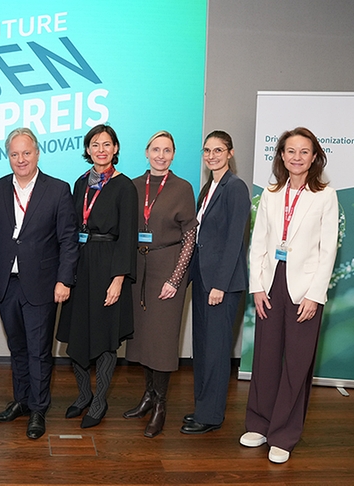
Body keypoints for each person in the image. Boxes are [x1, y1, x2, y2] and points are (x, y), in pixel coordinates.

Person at [241, 127, 339, 464]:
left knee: (297, 363)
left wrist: (315, 294)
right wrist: (256, 286)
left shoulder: (325, 195)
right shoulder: (270, 192)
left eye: (304, 151)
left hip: (305, 289)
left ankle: (283, 434)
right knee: (265, 358)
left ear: (314, 157)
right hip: (270, 284)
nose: (296, 157)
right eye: (290, 151)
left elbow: (328, 250)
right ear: (281, 155)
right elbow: (259, 241)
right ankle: (259, 423)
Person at [0, 128, 79, 439]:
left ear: (38, 153)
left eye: (26, 153)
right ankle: (21, 401)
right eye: (14, 154)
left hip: (42, 283)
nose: (21, 159)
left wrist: (64, 279)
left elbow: (68, 240)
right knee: (17, 348)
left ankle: (38, 409)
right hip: (5, 282)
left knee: (39, 350)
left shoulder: (58, 189)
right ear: (7, 156)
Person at [56, 124, 138, 429]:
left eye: (106, 144)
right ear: (87, 150)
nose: (100, 149)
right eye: (94, 144)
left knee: (104, 337)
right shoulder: (80, 183)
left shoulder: (125, 186)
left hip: (108, 267)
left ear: (115, 148)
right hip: (80, 265)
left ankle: (100, 400)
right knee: (76, 333)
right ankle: (82, 395)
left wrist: (118, 279)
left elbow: (128, 236)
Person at [123, 130, 197, 438]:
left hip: (167, 269)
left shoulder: (182, 187)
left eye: (167, 150)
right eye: (156, 149)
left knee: (163, 341)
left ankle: (161, 405)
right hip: (139, 269)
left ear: (174, 154)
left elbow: (190, 237)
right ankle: (148, 395)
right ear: (146, 152)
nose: (161, 155)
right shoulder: (132, 186)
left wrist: (175, 279)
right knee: (143, 339)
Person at [181, 130, 251, 435]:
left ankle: (211, 416)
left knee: (217, 351)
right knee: (203, 347)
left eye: (218, 150)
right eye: (207, 150)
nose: (212, 155)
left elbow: (236, 239)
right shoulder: (208, 187)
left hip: (222, 284)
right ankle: (202, 407)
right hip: (204, 279)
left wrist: (220, 285)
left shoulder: (235, 188)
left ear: (231, 153)